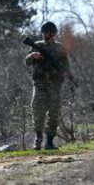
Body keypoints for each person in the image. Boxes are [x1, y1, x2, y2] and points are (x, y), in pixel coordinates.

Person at [25, 21, 71, 150]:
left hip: (55, 85)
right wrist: (32, 55)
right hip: (39, 84)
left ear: (53, 33)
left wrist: (67, 73)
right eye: (43, 32)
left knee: (54, 113)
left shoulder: (59, 48)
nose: (44, 34)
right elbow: (26, 62)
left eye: (46, 32)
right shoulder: (37, 45)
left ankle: (49, 142)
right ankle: (38, 139)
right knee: (37, 112)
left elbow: (66, 64)